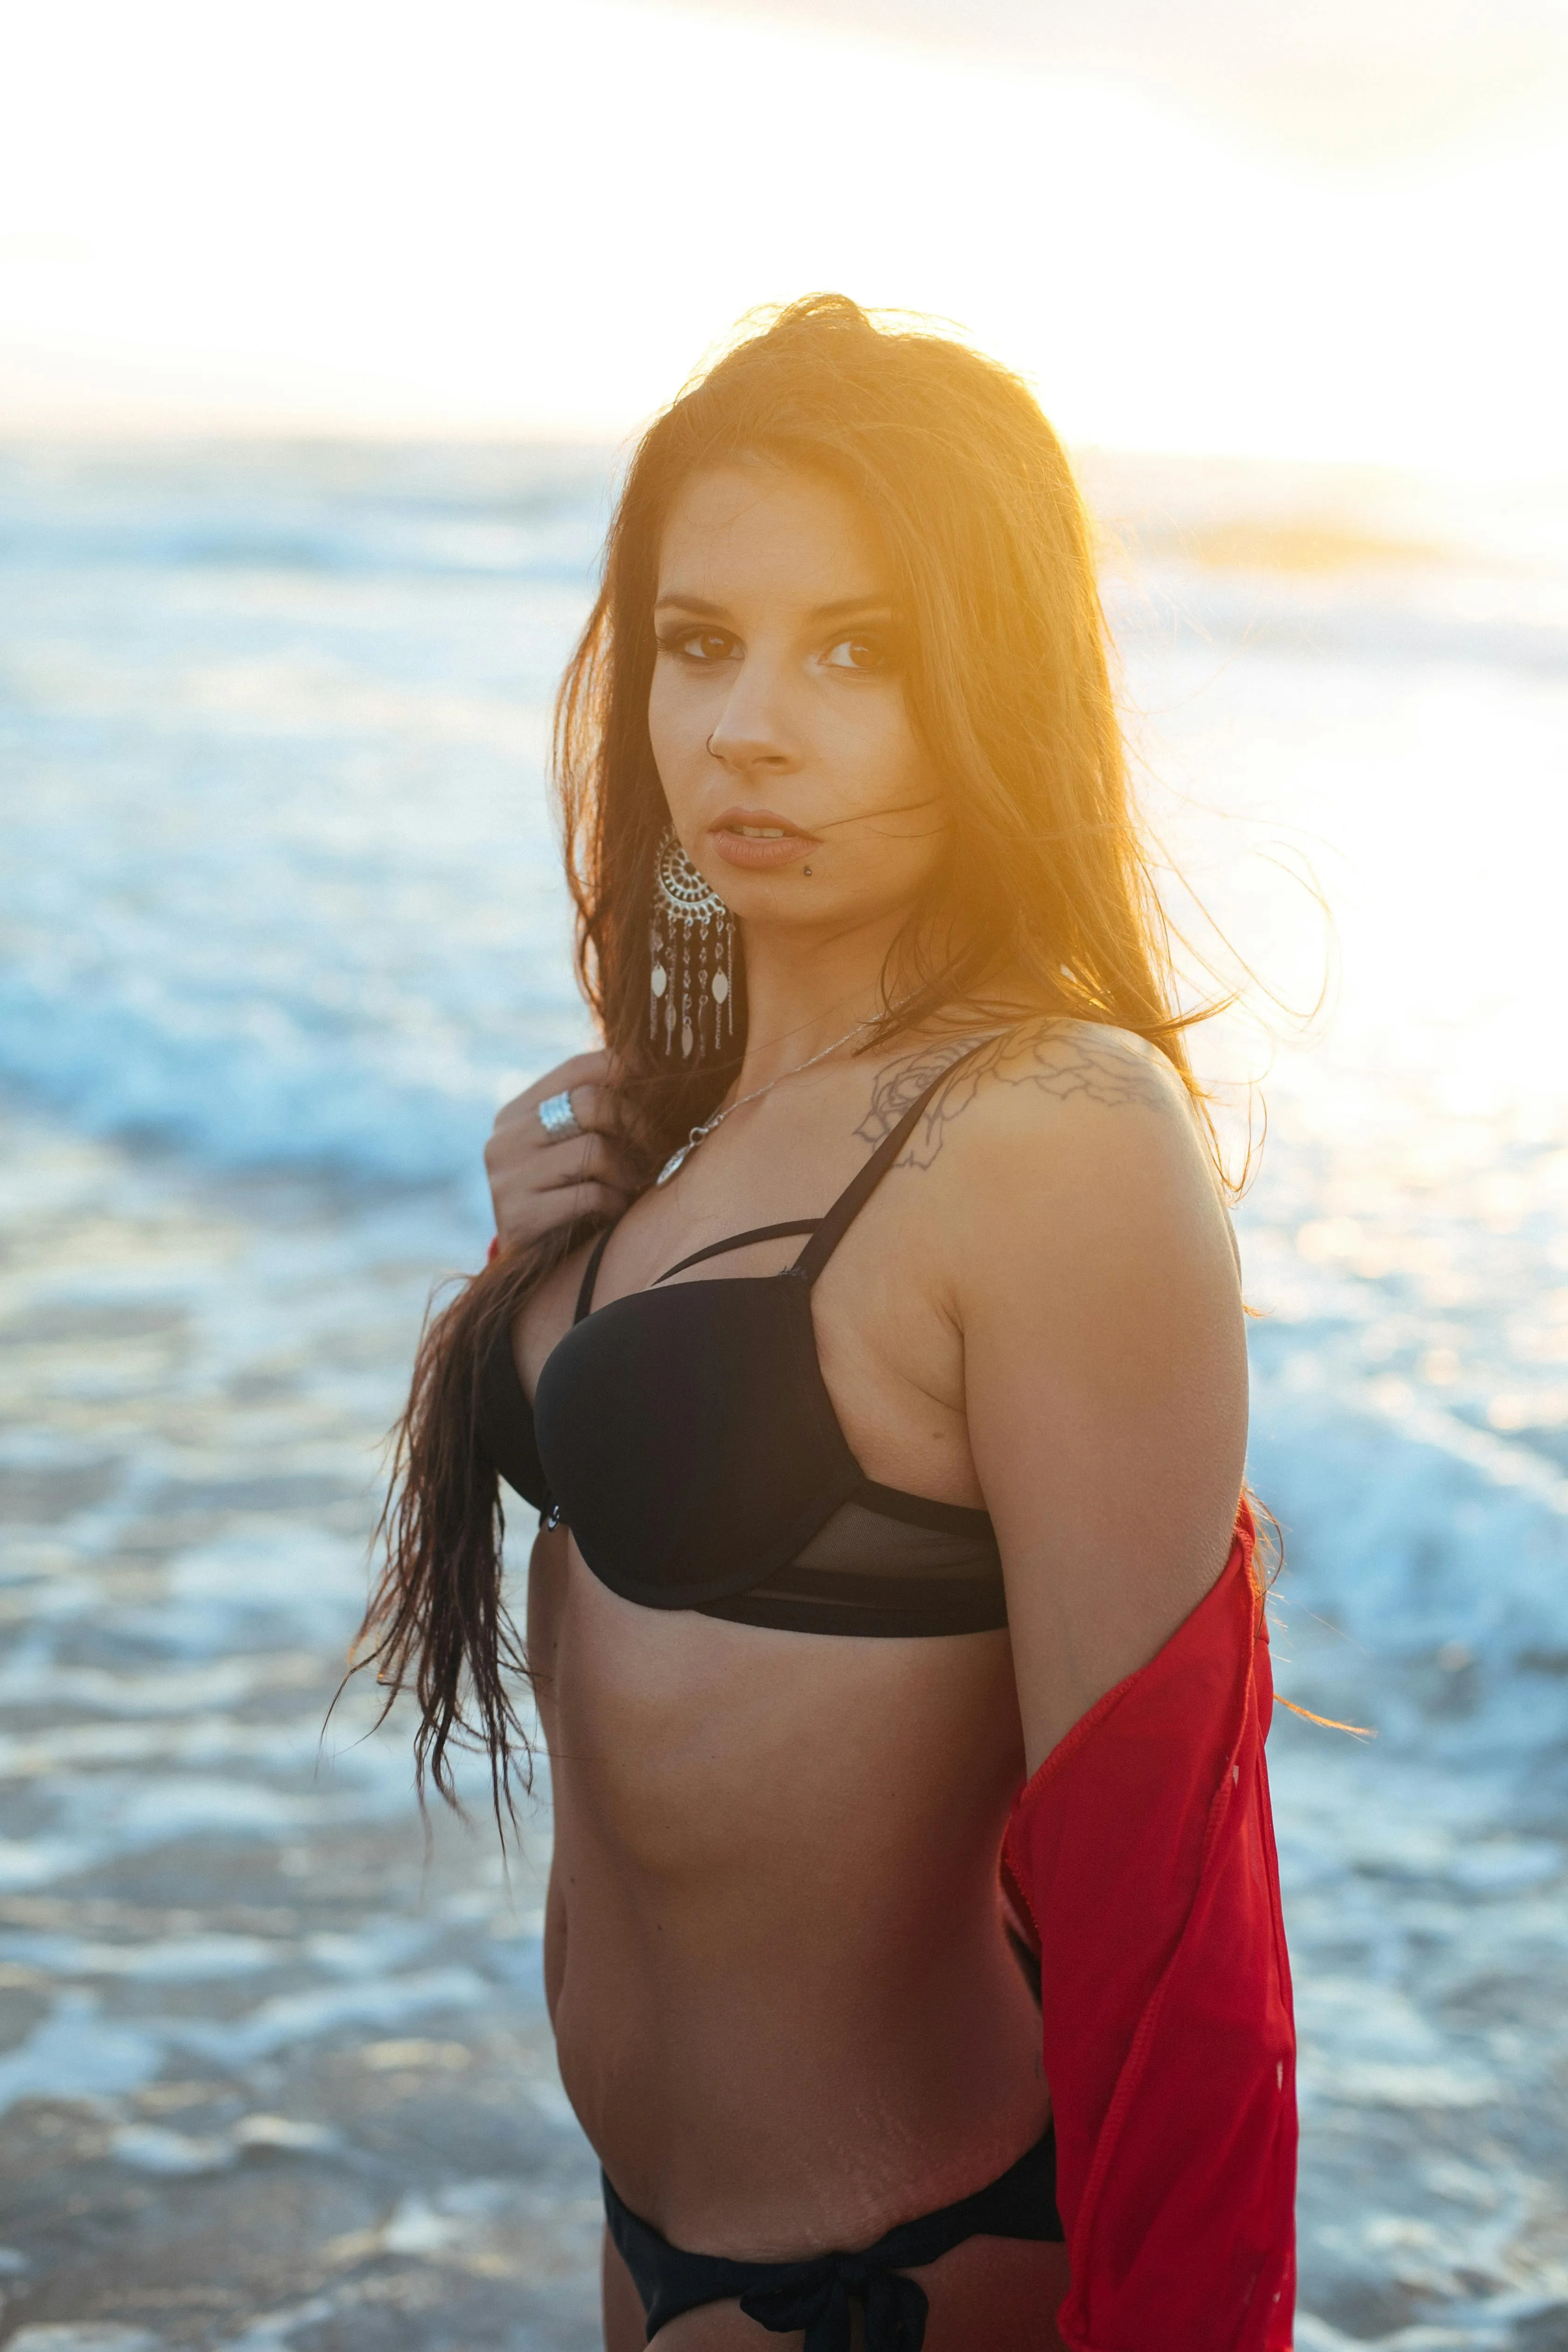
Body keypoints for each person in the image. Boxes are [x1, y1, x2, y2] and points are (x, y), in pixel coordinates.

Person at [363, 294, 1296, 2352]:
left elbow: (1170, 1892)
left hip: (900, 2277)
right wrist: (540, 1270)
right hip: (650, 2246)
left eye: (858, 653)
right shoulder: (692, 1118)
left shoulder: (1050, 1127)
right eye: (700, 642)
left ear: (995, 687)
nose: (749, 727)